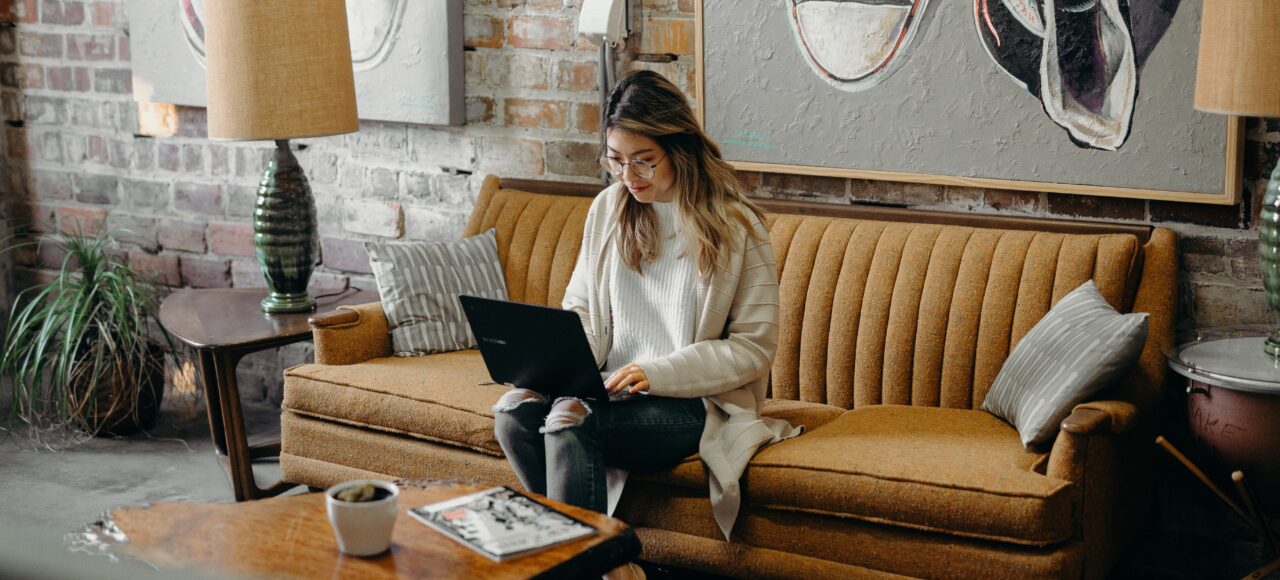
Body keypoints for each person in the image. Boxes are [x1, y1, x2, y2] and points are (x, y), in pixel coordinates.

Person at [492, 70, 800, 552]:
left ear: (679, 149)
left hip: (695, 404)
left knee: (572, 420)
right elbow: (582, 312)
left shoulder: (737, 226)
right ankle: (587, 558)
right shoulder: (608, 209)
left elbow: (753, 348)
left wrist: (655, 373)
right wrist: (553, 370)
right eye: (616, 161)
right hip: (610, 391)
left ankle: (579, 560)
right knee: (514, 412)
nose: (628, 177)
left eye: (644, 162)